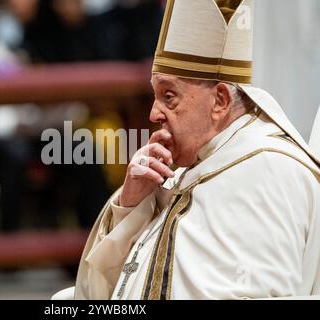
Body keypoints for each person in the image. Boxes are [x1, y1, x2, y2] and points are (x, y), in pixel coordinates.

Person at [73, 0, 320, 299]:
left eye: (169, 96)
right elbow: (103, 289)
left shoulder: (268, 172)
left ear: (220, 101)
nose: (153, 114)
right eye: (155, 95)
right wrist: (131, 206)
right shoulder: (184, 171)